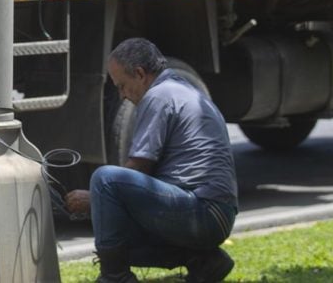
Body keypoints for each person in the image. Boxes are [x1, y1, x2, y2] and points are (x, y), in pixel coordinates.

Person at [65, 38, 238, 283]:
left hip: (203, 211)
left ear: (140, 74)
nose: (122, 95)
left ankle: (115, 278)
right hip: (214, 214)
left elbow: (138, 167)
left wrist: (95, 198)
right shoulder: (180, 88)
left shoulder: (158, 96)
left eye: (123, 86)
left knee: (104, 179)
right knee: (117, 236)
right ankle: (204, 260)